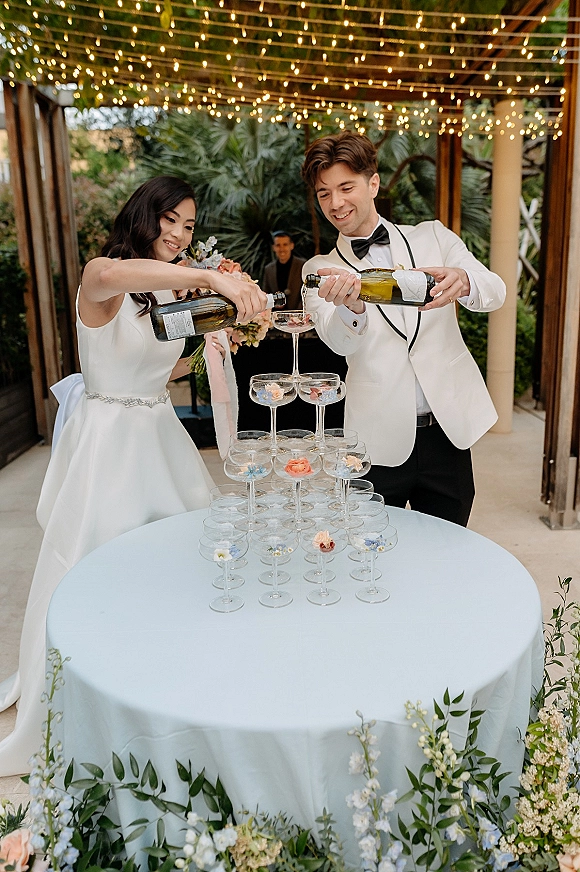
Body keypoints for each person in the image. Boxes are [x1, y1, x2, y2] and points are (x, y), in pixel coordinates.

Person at [0, 175, 267, 775]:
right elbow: (116, 279)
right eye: (168, 219)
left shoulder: (161, 301)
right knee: (93, 570)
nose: (177, 234)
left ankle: (166, 694)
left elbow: (162, 372)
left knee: (177, 569)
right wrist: (207, 276)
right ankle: (86, 702)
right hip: (108, 445)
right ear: (140, 216)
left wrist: (218, 330)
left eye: (189, 226)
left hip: (158, 436)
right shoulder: (103, 276)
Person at [301, 132, 506, 527]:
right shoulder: (319, 269)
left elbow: (495, 291)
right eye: (324, 193)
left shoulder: (433, 236)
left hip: (447, 435)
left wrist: (464, 279)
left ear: (373, 183)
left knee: (448, 554)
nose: (336, 203)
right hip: (375, 443)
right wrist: (353, 307)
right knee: (374, 560)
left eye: (346, 187)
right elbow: (337, 340)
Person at [262, 231, 306, 309]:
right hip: (276, 316)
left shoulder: (302, 265)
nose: (282, 249)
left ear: (291, 246)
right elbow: (265, 294)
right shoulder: (268, 269)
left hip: (298, 315)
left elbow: (307, 292)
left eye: (285, 245)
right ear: (274, 248)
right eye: (278, 245)